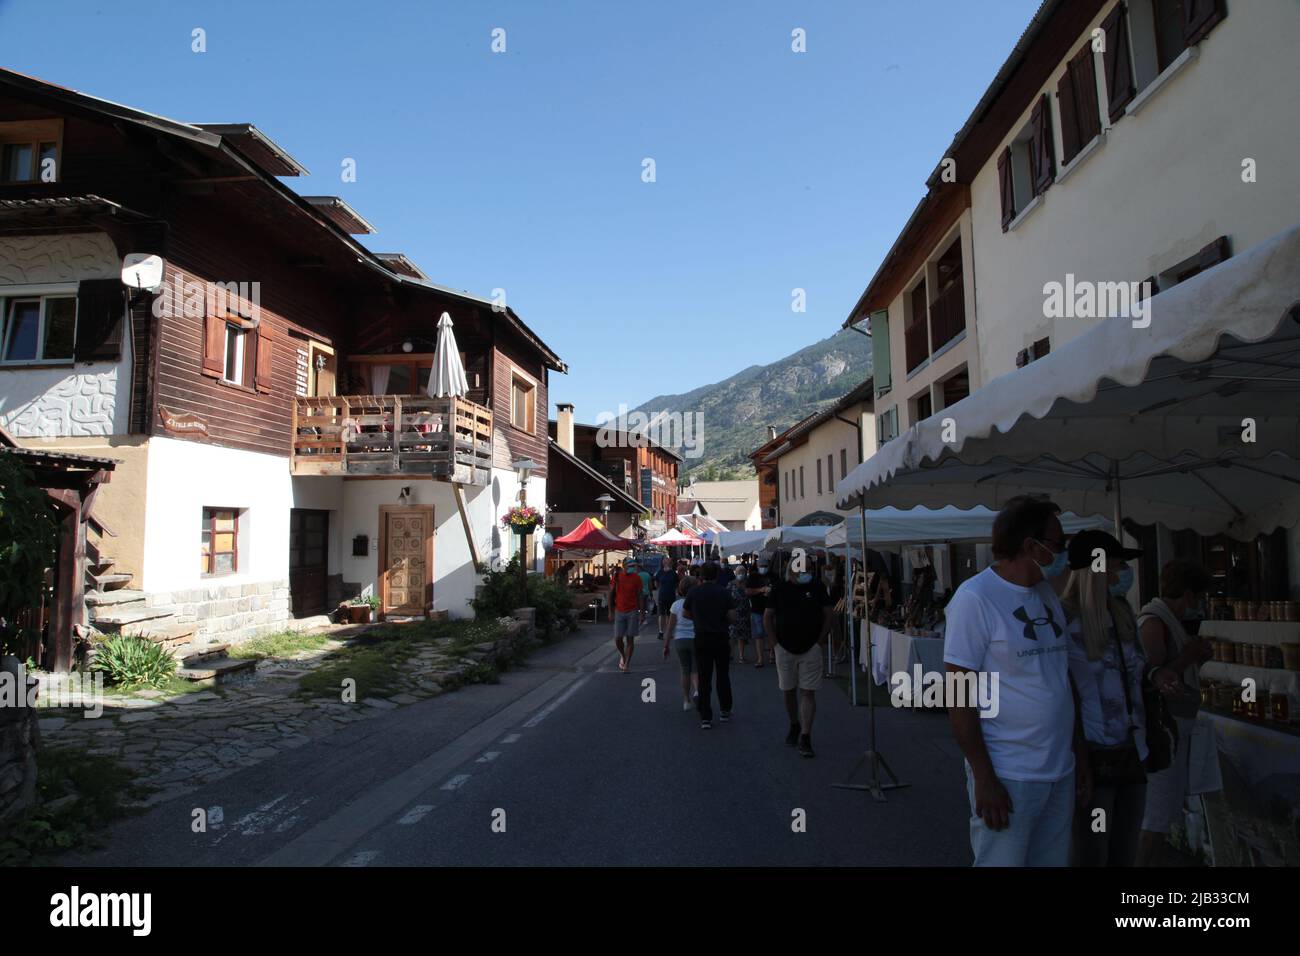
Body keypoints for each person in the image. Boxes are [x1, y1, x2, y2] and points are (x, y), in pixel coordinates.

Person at [943, 496, 1091, 867]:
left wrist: (1080, 758)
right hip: (1010, 775)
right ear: (1031, 546)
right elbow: (958, 696)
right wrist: (984, 777)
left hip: (1059, 769)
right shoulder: (975, 598)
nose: (1064, 552)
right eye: (1058, 543)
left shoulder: (1045, 593)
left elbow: (1061, 679)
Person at [1060, 530, 1147, 867]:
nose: (1124, 573)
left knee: (1125, 852)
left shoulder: (1122, 612)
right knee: (1091, 853)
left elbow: (1140, 670)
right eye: (1118, 565)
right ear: (1097, 568)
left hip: (1134, 751)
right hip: (1093, 759)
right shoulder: (1064, 620)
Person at [1135, 559, 1212, 867]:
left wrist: (1196, 660)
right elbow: (1153, 678)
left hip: (1176, 726)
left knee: (1162, 813)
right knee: (1155, 816)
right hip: (1163, 729)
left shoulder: (1172, 622)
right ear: (1190, 595)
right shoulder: (1154, 622)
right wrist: (1188, 657)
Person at [764, 554, 835, 758]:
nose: (806, 573)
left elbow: (829, 613)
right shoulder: (780, 588)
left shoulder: (817, 587)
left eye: (809, 569)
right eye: (802, 569)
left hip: (811, 648)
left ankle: (805, 735)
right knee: (788, 690)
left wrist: (820, 641)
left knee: (808, 691)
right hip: (784, 648)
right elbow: (768, 616)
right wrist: (774, 643)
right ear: (791, 569)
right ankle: (794, 723)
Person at [682, 563, 737, 729]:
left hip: (702, 638)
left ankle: (705, 716)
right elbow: (732, 617)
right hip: (720, 637)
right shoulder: (724, 592)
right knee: (722, 675)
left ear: (700, 575)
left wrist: (698, 620)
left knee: (704, 677)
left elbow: (685, 613)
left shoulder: (694, 592)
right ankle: (725, 710)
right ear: (717, 575)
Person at [663, 576, 699, 709]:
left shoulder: (675, 605)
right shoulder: (698, 603)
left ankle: (686, 700)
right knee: (696, 669)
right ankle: (697, 691)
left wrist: (666, 645)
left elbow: (670, 627)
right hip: (695, 638)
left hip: (680, 639)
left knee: (685, 669)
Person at [610, 558, 644, 673]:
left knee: (630, 638)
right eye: (629, 566)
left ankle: (627, 664)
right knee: (618, 638)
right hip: (619, 610)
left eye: (633, 566)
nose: (632, 568)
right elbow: (611, 594)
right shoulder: (617, 577)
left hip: (632, 611)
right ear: (624, 566)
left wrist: (642, 613)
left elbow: (640, 596)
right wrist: (610, 611)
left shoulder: (637, 578)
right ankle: (623, 656)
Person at [728, 564, 755, 664]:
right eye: (739, 572)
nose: (741, 574)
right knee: (731, 635)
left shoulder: (747, 583)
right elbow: (727, 596)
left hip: (745, 613)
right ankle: (729, 654)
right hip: (734, 612)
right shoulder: (731, 584)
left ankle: (741, 656)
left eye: (743, 572)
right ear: (736, 573)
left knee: (742, 637)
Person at [655, 559, 680, 640]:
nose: (668, 563)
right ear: (663, 563)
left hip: (671, 596)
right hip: (662, 596)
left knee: (669, 615)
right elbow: (656, 583)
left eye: (669, 562)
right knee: (662, 614)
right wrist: (660, 589)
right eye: (666, 562)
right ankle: (661, 632)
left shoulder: (673, 573)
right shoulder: (660, 572)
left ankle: (668, 632)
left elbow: (677, 584)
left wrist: (675, 592)